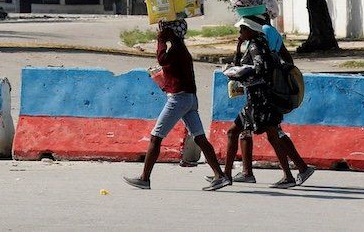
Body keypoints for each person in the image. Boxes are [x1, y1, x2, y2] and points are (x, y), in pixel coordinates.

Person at [124, 20, 230, 191]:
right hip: (189, 98)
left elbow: (161, 59)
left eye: (165, 30)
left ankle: (144, 178)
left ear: (171, 32)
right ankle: (220, 175)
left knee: (156, 137)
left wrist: (160, 40)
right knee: (199, 138)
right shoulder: (181, 48)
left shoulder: (176, 50)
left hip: (178, 99)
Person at [220, 18, 312, 189]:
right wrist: (238, 48)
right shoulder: (259, 43)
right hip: (260, 99)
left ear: (250, 30)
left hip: (260, 100)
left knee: (259, 134)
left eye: (242, 29)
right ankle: (230, 175)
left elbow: (260, 69)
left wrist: (238, 74)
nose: (240, 33)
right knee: (266, 135)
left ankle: (229, 175)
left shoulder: (256, 45)